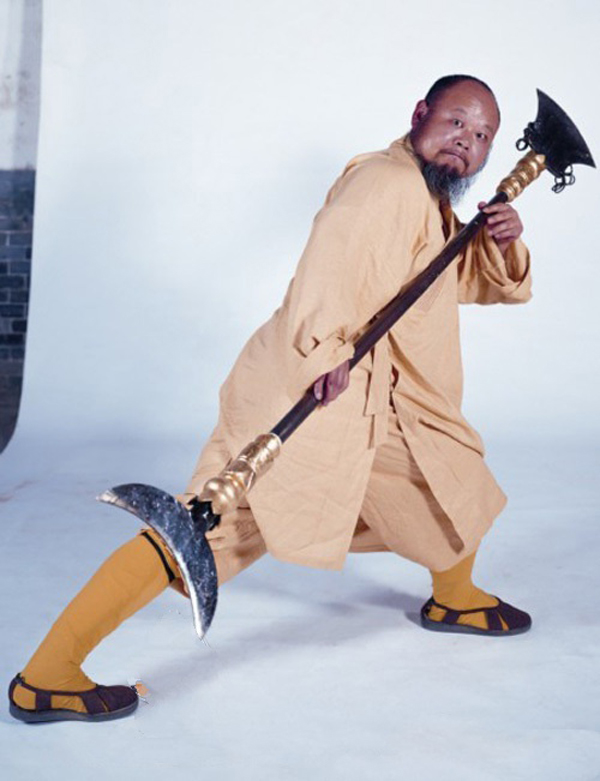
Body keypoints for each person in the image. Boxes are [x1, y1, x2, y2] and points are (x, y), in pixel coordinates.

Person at [9, 74, 533, 724]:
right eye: (456, 122)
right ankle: (47, 674)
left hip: (375, 400)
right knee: (208, 527)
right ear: (420, 113)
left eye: (482, 135)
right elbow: (327, 268)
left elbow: (448, 283)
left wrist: (499, 240)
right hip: (313, 395)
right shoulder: (386, 185)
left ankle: (454, 595)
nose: (466, 142)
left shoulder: (425, 193)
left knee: (447, 474)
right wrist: (321, 353)